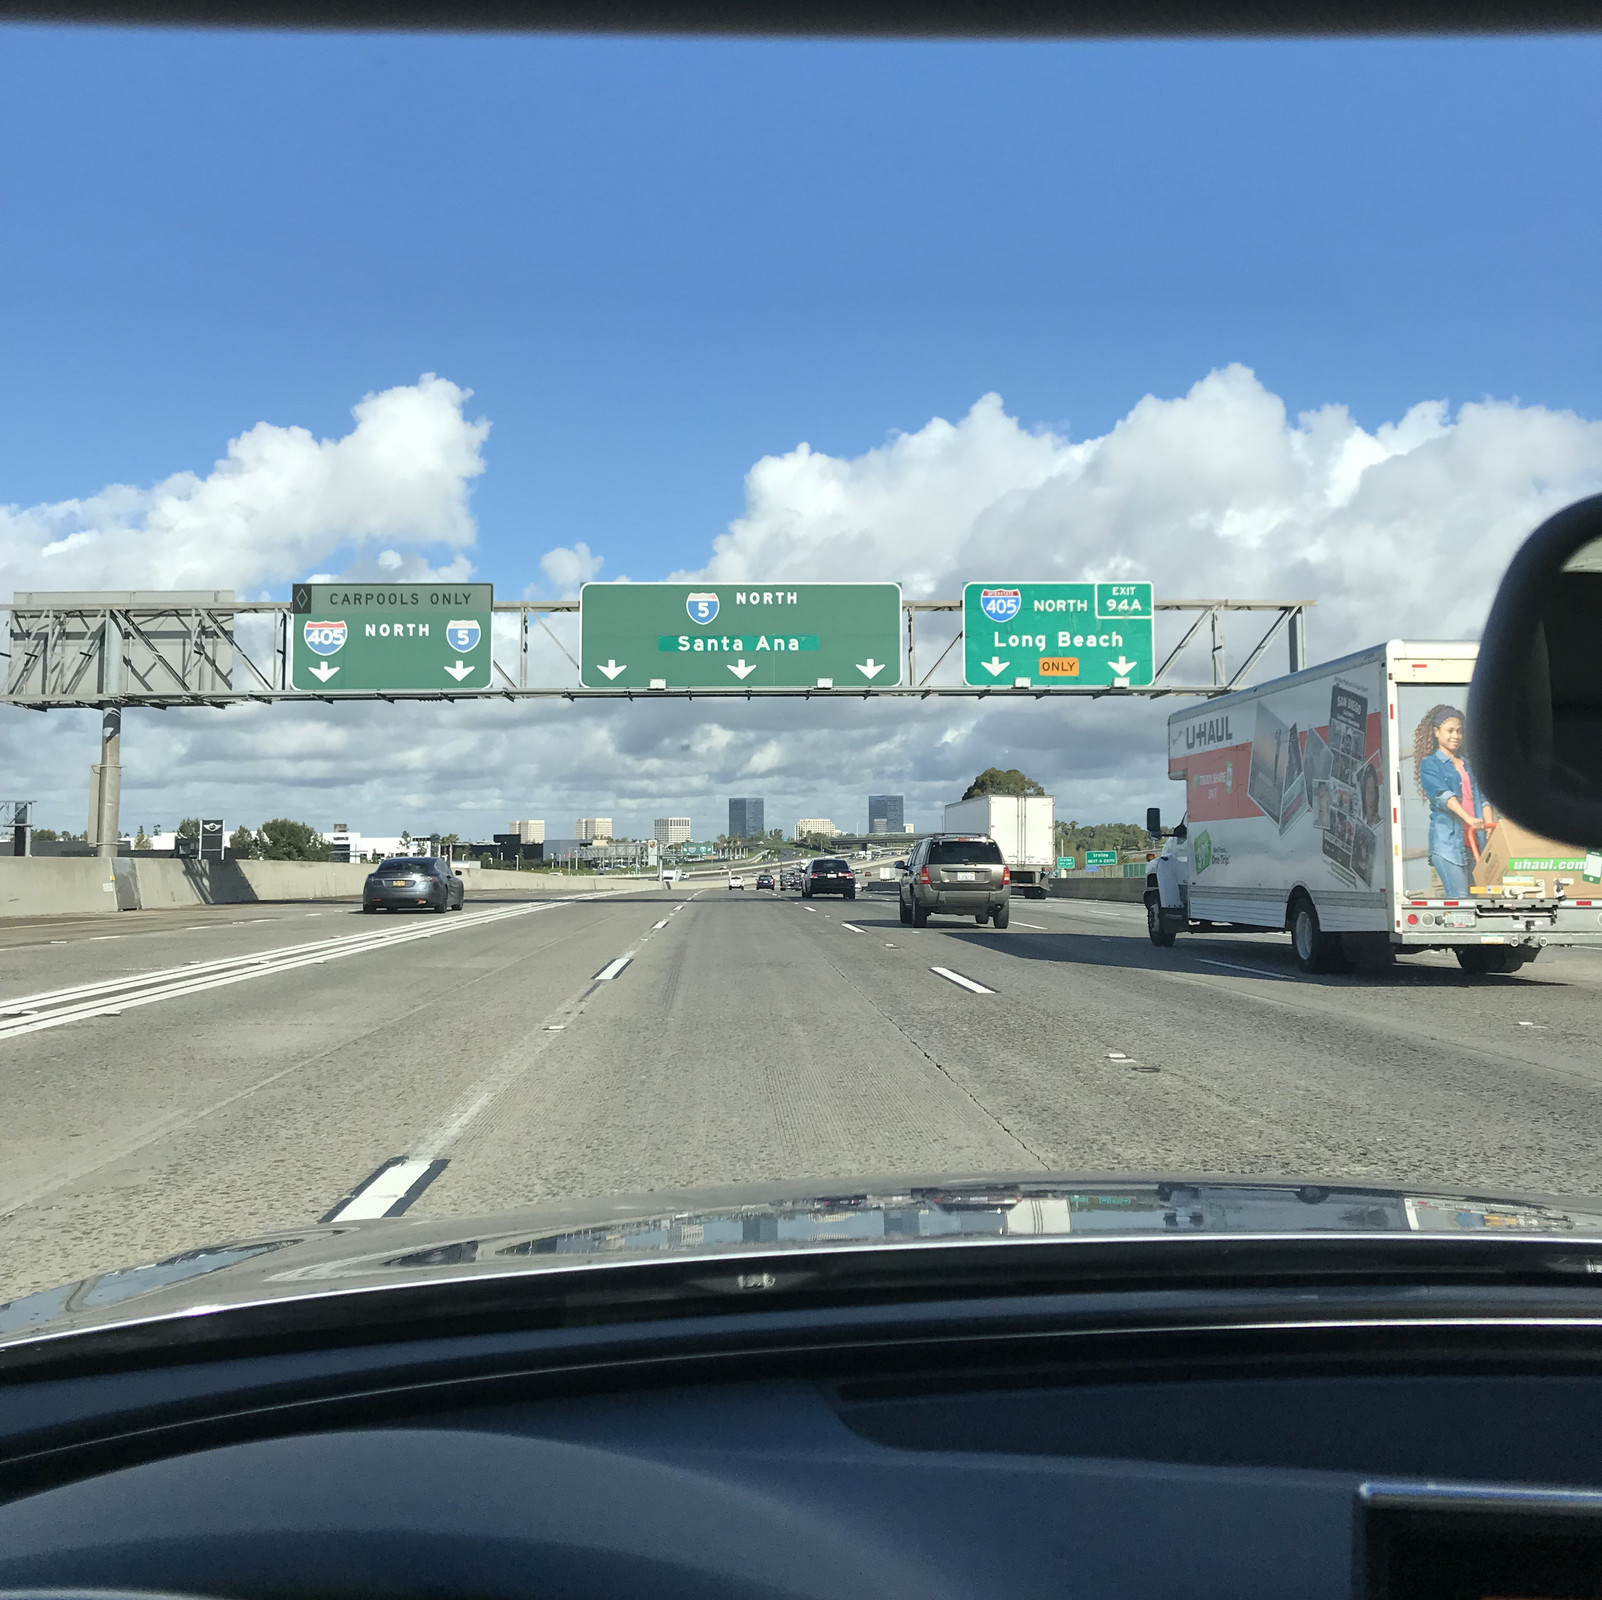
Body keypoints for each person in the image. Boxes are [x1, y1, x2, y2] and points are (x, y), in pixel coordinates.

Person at [1413, 704, 1496, 898]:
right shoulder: (1430, 764)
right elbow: (1444, 796)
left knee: (1482, 899)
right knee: (1460, 899)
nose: (1456, 736)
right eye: (1450, 731)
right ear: (1436, 732)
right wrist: (1468, 818)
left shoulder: (1470, 764)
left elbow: (1483, 798)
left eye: (1459, 731)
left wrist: (1489, 827)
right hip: (1448, 845)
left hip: (1476, 842)